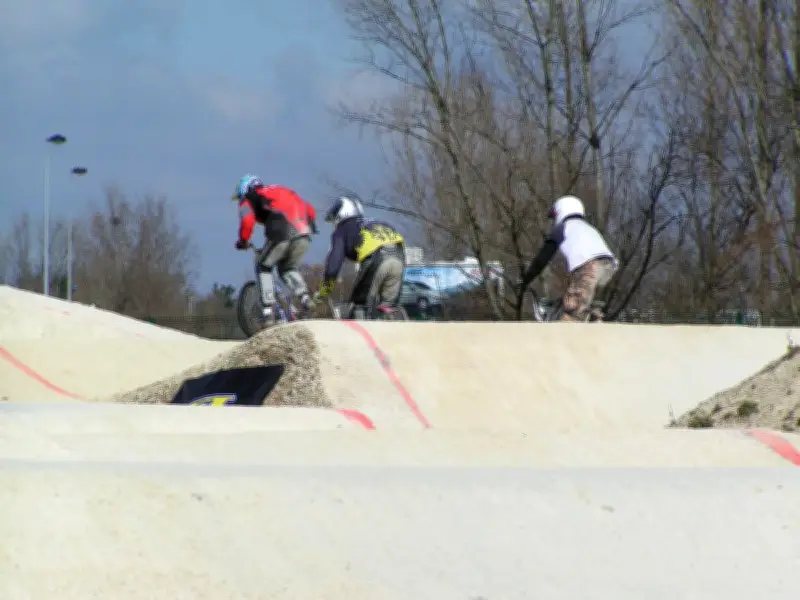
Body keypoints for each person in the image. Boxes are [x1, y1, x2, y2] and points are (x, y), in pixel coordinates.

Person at [521, 195, 618, 321]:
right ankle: (592, 317)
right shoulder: (587, 228)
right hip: (608, 266)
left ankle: (566, 327)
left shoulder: (562, 228)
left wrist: (527, 279)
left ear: (561, 211)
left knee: (573, 305)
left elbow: (543, 258)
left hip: (590, 266)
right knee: (580, 298)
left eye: (555, 216)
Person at [232, 174, 317, 317]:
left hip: (281, 233)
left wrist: (243, 241)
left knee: (263, 266)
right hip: (305, 233)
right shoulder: (281, 190)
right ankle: (305, 298)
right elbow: (310, 210)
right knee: (287, 268)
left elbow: (247, 221)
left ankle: (267, 311)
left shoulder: (249, 199)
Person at [313, 195, 406, 319]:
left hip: (376, 258)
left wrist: (324, 292)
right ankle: (395, 329)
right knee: (388, 307)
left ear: (341, 213)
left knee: (360, 305)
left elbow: (333, 266)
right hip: (399, 257)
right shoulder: (376, 221)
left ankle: (362, 335)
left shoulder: (342, 230)